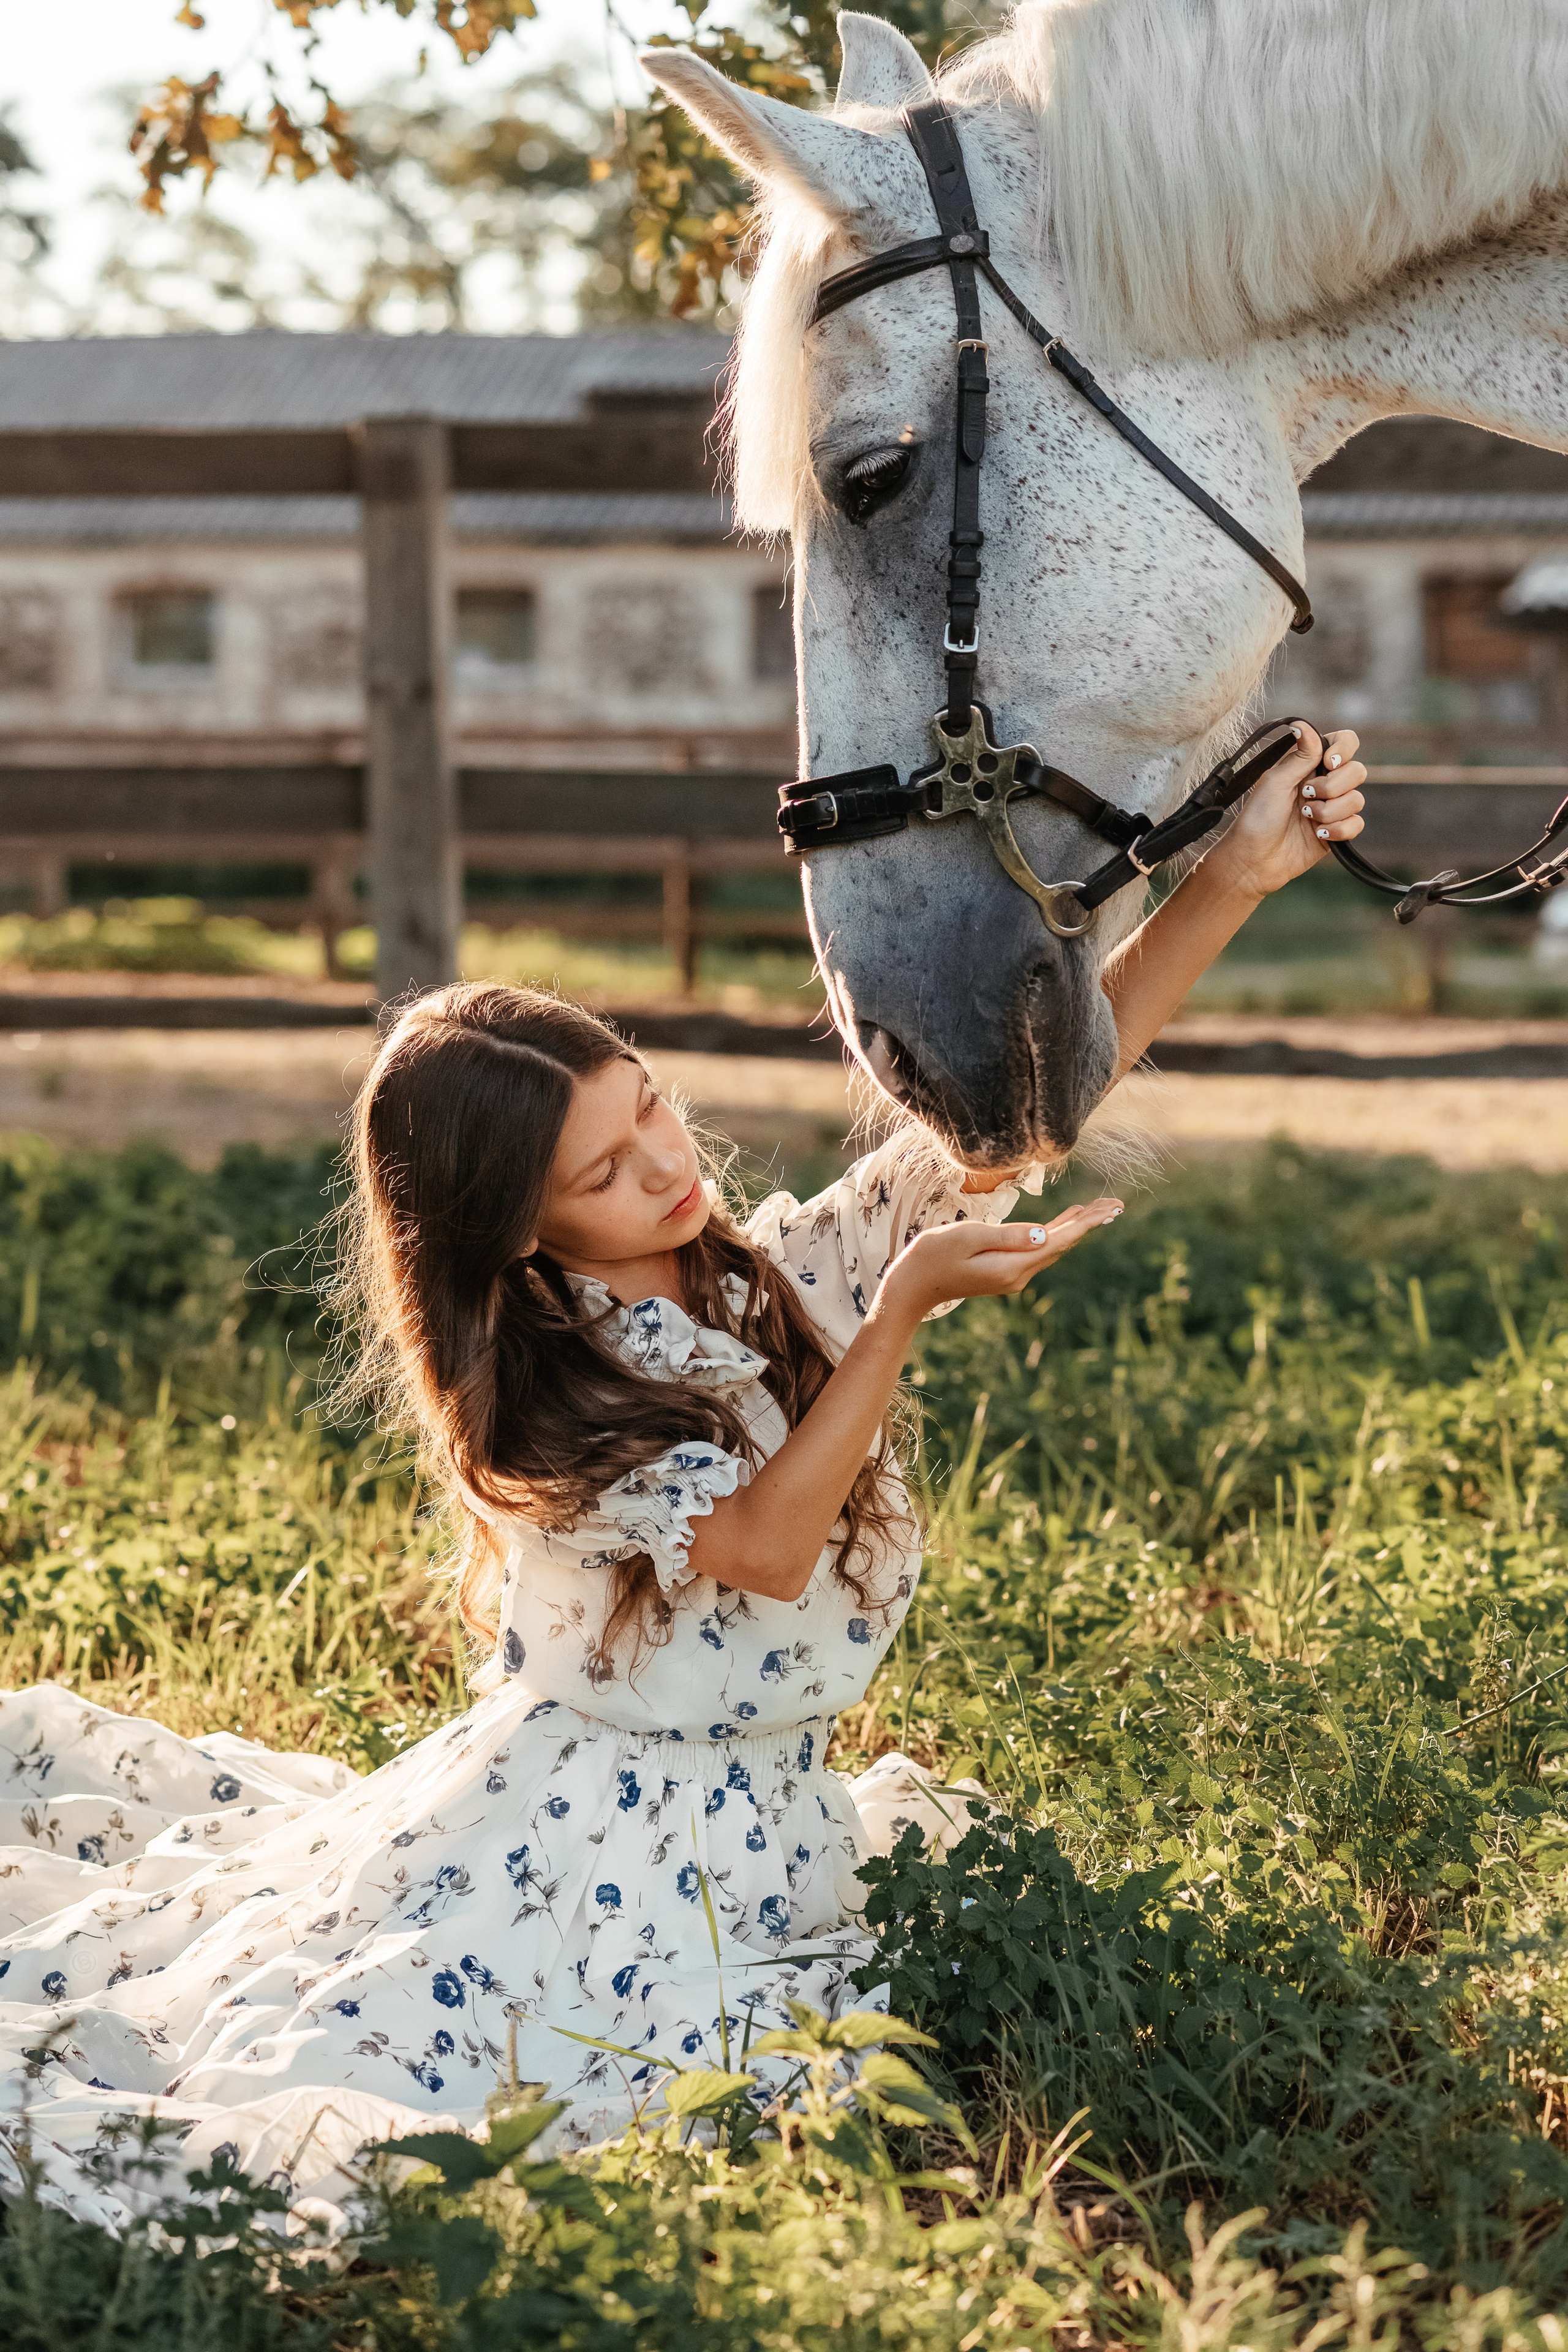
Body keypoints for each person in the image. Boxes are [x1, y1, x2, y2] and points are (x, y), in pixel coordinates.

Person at [0, 726, 1365, 2225]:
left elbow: (1026, 1110)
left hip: (768, 1809)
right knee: (384, 2095)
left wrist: (1237, 876)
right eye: (600, 1172)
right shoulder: (539, 1406)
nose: (662, 1165)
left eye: (644, 1104)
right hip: (599, 1841)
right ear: (516, 1231)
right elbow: (765, 1551)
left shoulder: (766, 1277)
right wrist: (897, 1313)